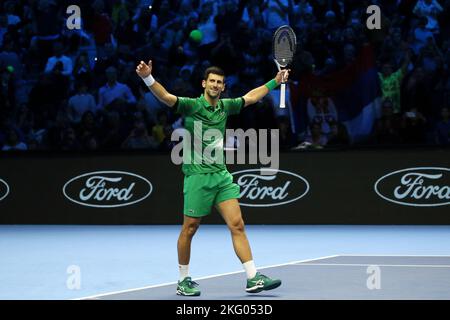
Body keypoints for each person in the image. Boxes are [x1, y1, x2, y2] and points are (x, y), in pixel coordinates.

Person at [136, 60, 288, 296]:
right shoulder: (191, 106)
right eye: (212, 81)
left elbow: (250, 97)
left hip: (221, 176)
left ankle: (253, 277)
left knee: (237, 225)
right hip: (197, 177)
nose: (216, 85)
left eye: (220, 83)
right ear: (204, 83)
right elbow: (166, 97)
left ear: (223, 87)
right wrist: (148, 77)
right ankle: (183, 280)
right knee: (190, 229)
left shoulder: (225, 107)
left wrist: (275, 82)